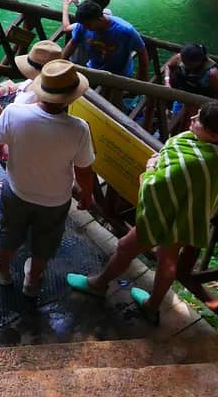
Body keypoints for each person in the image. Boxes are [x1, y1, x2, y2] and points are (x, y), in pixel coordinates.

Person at [67, 99, 218, 324]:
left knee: (125, 246)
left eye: (199, 122)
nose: (193, 119)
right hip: (187, 216)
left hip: (166, 213)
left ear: (214, 135)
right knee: (168, 259)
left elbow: (158, 186)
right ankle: (152, 306)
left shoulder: (196, 162)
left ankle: (98, 284)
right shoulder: (209, 153)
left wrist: (149, 171)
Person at [0, 59, 96, 298]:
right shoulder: (79, 129)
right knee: (46, 240)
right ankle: (32, 281)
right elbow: (84, 170)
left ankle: (2, 269)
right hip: (56, 200)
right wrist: (87, 195)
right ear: (72, 98)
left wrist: (7, 153)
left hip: (17, 191)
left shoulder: (13, 113)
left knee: (9, 230)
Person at [61, 0, 148, 109]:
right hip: (93, 68)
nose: (85, 27)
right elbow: (73, 43)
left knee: (113, 108)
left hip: (118, 75)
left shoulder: (125, 30)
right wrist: (61, 61)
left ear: (99, 18)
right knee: (82, 99)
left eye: (88, 25)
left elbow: (142, 53)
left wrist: (139, 80)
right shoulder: (82, 25)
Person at [0, 39, 64, 112]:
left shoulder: (39, 100)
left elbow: (18, 124)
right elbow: (24, 84)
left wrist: (0, 112)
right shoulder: (36, 80)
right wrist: (6, 89)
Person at [162, 42, 218, 134]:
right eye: (184, 61)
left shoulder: (212, 73)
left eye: (188, 63)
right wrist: (167, 81)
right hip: (181, 97)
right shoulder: (180, 58)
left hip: (200, 104)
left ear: (199, 61)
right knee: (175, 120)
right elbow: (168, 66)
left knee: (188, 128)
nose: (185, 64)